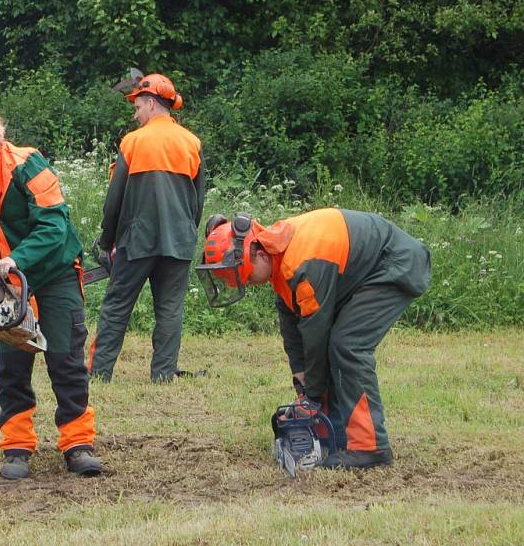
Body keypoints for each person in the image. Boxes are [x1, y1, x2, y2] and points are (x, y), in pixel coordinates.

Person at [197, 208, 432, 469]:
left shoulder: (303, 264)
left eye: (247, 275)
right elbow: (291, 320)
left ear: (259, 253)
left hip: (394, 264)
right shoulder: (280, 256)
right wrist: (302, 377)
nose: (246, 283)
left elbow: (315, 334)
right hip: (362, 270)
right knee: (334, 347)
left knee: (347, 345)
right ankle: (340, 433)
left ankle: (371, 447)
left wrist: (313, 397)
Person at [0, 95, 101, 479]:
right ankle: (16, 446)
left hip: (54, 270)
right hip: (5, 279)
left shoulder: (28, 164)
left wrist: (18, 259)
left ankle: (77, 444)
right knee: (12, 363)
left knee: (64, 357)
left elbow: (54, 225)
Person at [88, 73, 205, 382]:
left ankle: (99, 374)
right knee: (170, 310)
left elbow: (114, 201)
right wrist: (186, 233)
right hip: (179, 241)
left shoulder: (133, 142)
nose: (135, 114)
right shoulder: (192, 143)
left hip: (137, 240)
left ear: (152, 104)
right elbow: (198, 201)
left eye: (137, 107)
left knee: (116, 306)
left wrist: (106, 241)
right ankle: (163, 374)